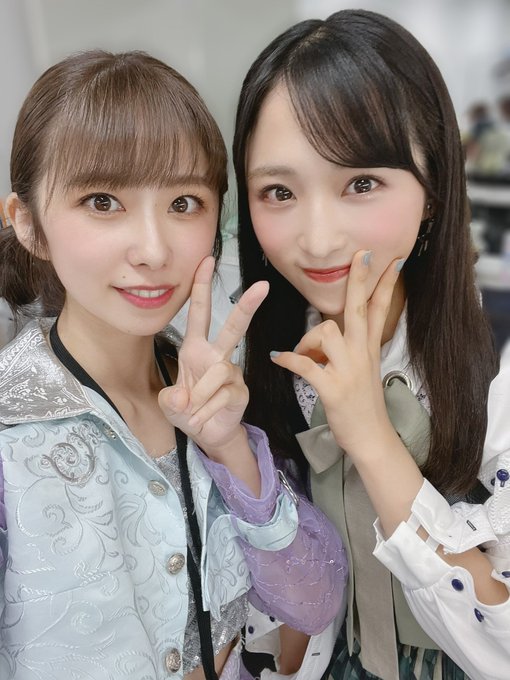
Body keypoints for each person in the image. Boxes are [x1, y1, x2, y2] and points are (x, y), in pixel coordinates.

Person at [0, 50, 348, 680]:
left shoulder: (215, 388)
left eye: (184, 202)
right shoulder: (10, 433)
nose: (154, 250)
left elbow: (313, 602)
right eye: (102, 201)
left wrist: (230, 449)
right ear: (27, 223)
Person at [232, 9, 510, 680]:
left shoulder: (497, 363)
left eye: (361, 183)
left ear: (434, 189)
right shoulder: (260, 354)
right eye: (278, 191)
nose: (319, 239)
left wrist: (371, 437)